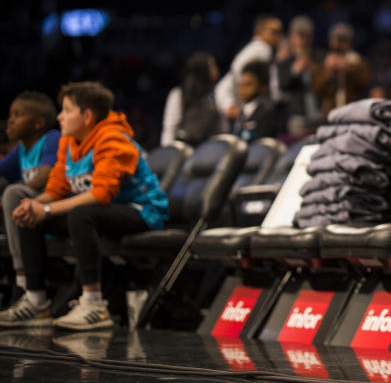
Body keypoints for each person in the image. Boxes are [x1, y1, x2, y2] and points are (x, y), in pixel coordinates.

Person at [0, 82, 168, 330]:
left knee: (79, 213)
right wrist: (33, 205)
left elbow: (100, 195)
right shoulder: (69, 142)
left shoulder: (113, 139)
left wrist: (46, 209)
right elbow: (56, 189)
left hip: (142, 211)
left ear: (87, 116)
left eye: (66, 110)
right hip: (98, 213)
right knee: (31, 213)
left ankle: (94, 304)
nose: (60, 117)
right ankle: (36, 300)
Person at [1, 92, 60, 298]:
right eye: (10, 114)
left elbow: (45, 177)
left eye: (18, 114)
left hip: (51, 209)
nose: (11, 120)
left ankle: (22, 280)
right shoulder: (20, 150)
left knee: (13, 193)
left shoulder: (52, 138)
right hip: (29, 215)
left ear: (38, 123)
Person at [214, 14, 283, 121]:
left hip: (241, 107)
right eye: (273, 32)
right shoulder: (261, 48)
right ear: (258, 32)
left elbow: (227, 82)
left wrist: (227, 103)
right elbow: (244, 83)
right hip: (251, 110)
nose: (278, 37)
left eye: (279, 32)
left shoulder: (252, 49)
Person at [160, 52, 224, 147]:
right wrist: (166, 153)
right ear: (202, 70)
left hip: (208, 147)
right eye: (212, 66)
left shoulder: (217, 93)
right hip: (185, 147)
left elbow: (220, 127)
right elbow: (170, 127)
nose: (216, 70)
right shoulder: (179, 93)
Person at [276, 15, 322, 134]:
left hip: (318, 113)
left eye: (305, 36)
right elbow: (282, 85)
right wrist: (295, 71)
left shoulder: (317, 55)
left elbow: (325, 83)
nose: (302, 41)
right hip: (297, 115)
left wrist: (314, 69)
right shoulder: (285, 57)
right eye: (299, 36)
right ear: (292, 36)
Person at [313, 23, 371, 118]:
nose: (338, 44)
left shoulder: (357, 61)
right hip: (330, 113)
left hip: (353, 112)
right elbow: (317, 89)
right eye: (335, 40)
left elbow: (364, 82)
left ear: (349, 42)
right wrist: (329, 71)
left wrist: (346, 68)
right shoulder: (325, 62)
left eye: (342, 40)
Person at [232, 61, 279, 142]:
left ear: (262, 86)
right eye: (241, 84)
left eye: (248, 84)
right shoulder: (240, 112)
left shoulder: (268, 111)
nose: (242, 89)